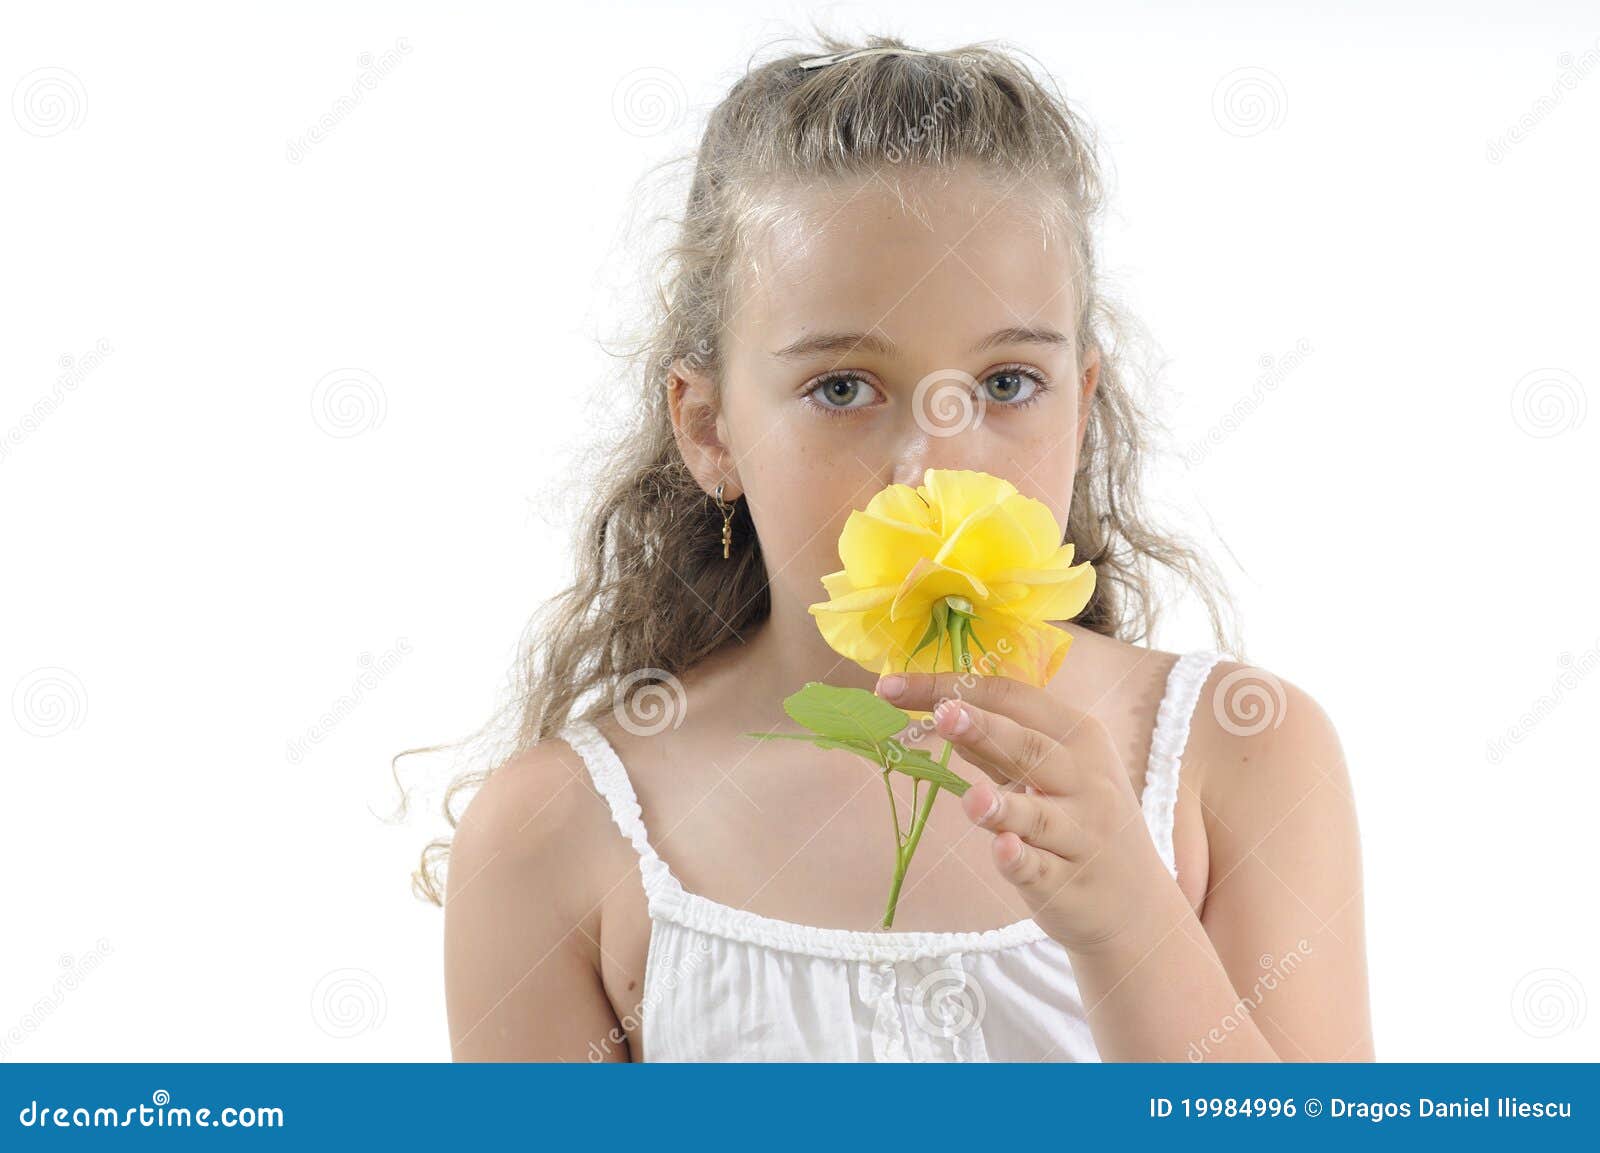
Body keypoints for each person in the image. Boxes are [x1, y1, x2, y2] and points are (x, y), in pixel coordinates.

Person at [420, 33, 1372, 1062]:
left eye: (1007, 383)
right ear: (709, 429)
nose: (933, 469)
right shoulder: (551, 835)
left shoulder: (1239, 759)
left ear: (1082, 405)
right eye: (842, 389)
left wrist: (1132, 926)